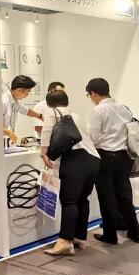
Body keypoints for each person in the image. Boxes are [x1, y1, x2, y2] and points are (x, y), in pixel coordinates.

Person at [41, 89, 100, 256]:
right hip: (93, 159)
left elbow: (46, 133)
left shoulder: (52, 112)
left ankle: (65, 241)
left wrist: (44, 153)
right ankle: (80, 237)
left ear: (49, 103)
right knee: (82, 199)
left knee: (69, 201)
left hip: (75, 160)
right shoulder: (76, 115)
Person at [86, 78, 139, 244]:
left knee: (106, 198)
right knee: (125, 196)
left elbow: (94, 138)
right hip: (125, 157)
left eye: (89, 95)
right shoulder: (124, 108)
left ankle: (110, 235)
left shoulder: (98, 110)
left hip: (106, 158)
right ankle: (135, 232)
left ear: (94, 93)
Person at [0, 75, 42, 148]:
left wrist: (40, 116)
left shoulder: (15, 101)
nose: (28, 95)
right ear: (19, 90)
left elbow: (25, 110)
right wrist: (10, 133)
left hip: (6, 140)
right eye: (28, 92)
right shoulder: (3, 102)